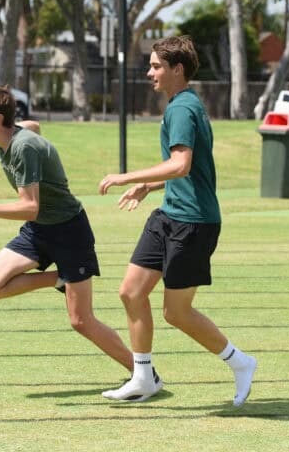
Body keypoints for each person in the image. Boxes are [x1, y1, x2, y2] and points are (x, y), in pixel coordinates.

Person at [98, 36, 257, 406]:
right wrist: (150, 187)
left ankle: (240, 362)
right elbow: (185, 169)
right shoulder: (180, 104)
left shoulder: (183, 109)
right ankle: (143, 378)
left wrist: (128, 177)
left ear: (177, 69)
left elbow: (181, 164)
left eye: (156, 66)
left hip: (195, 223)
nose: (149, 72)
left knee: (177, 312)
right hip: (169, 214)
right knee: (131, 291)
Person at [0, 86, 135, 377]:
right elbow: (32, 125)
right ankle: (59, 279)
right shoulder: (2, 138)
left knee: (81, 321)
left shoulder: (23, 147)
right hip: (38, 232)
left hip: (69, 232)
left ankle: (142, 373)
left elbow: (30, 207)